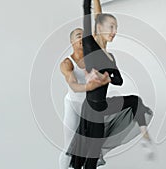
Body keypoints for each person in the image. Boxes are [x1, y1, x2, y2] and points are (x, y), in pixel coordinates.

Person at [66, 0, 156, 168]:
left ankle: (145, 137)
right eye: (111, 27)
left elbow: (119, 81)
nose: (114, 32)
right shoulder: (89, 45)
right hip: (91, 110)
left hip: (102, 108)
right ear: (99, 27)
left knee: (135, 101)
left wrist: (107, 77)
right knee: (85, 159)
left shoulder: (111, 57)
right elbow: (88, 12)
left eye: (116, 28)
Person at [59, 27, 110, 169]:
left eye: (84, 35)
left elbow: (99, 24)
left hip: (90, 107)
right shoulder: (67, 63)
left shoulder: (94, 57)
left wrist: (95, 3)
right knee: (70, 146)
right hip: (73, 105)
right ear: (71, 41)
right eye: (78, 36)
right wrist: (90, 87)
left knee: (92, 146)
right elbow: (74, 85)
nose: (82, 38)